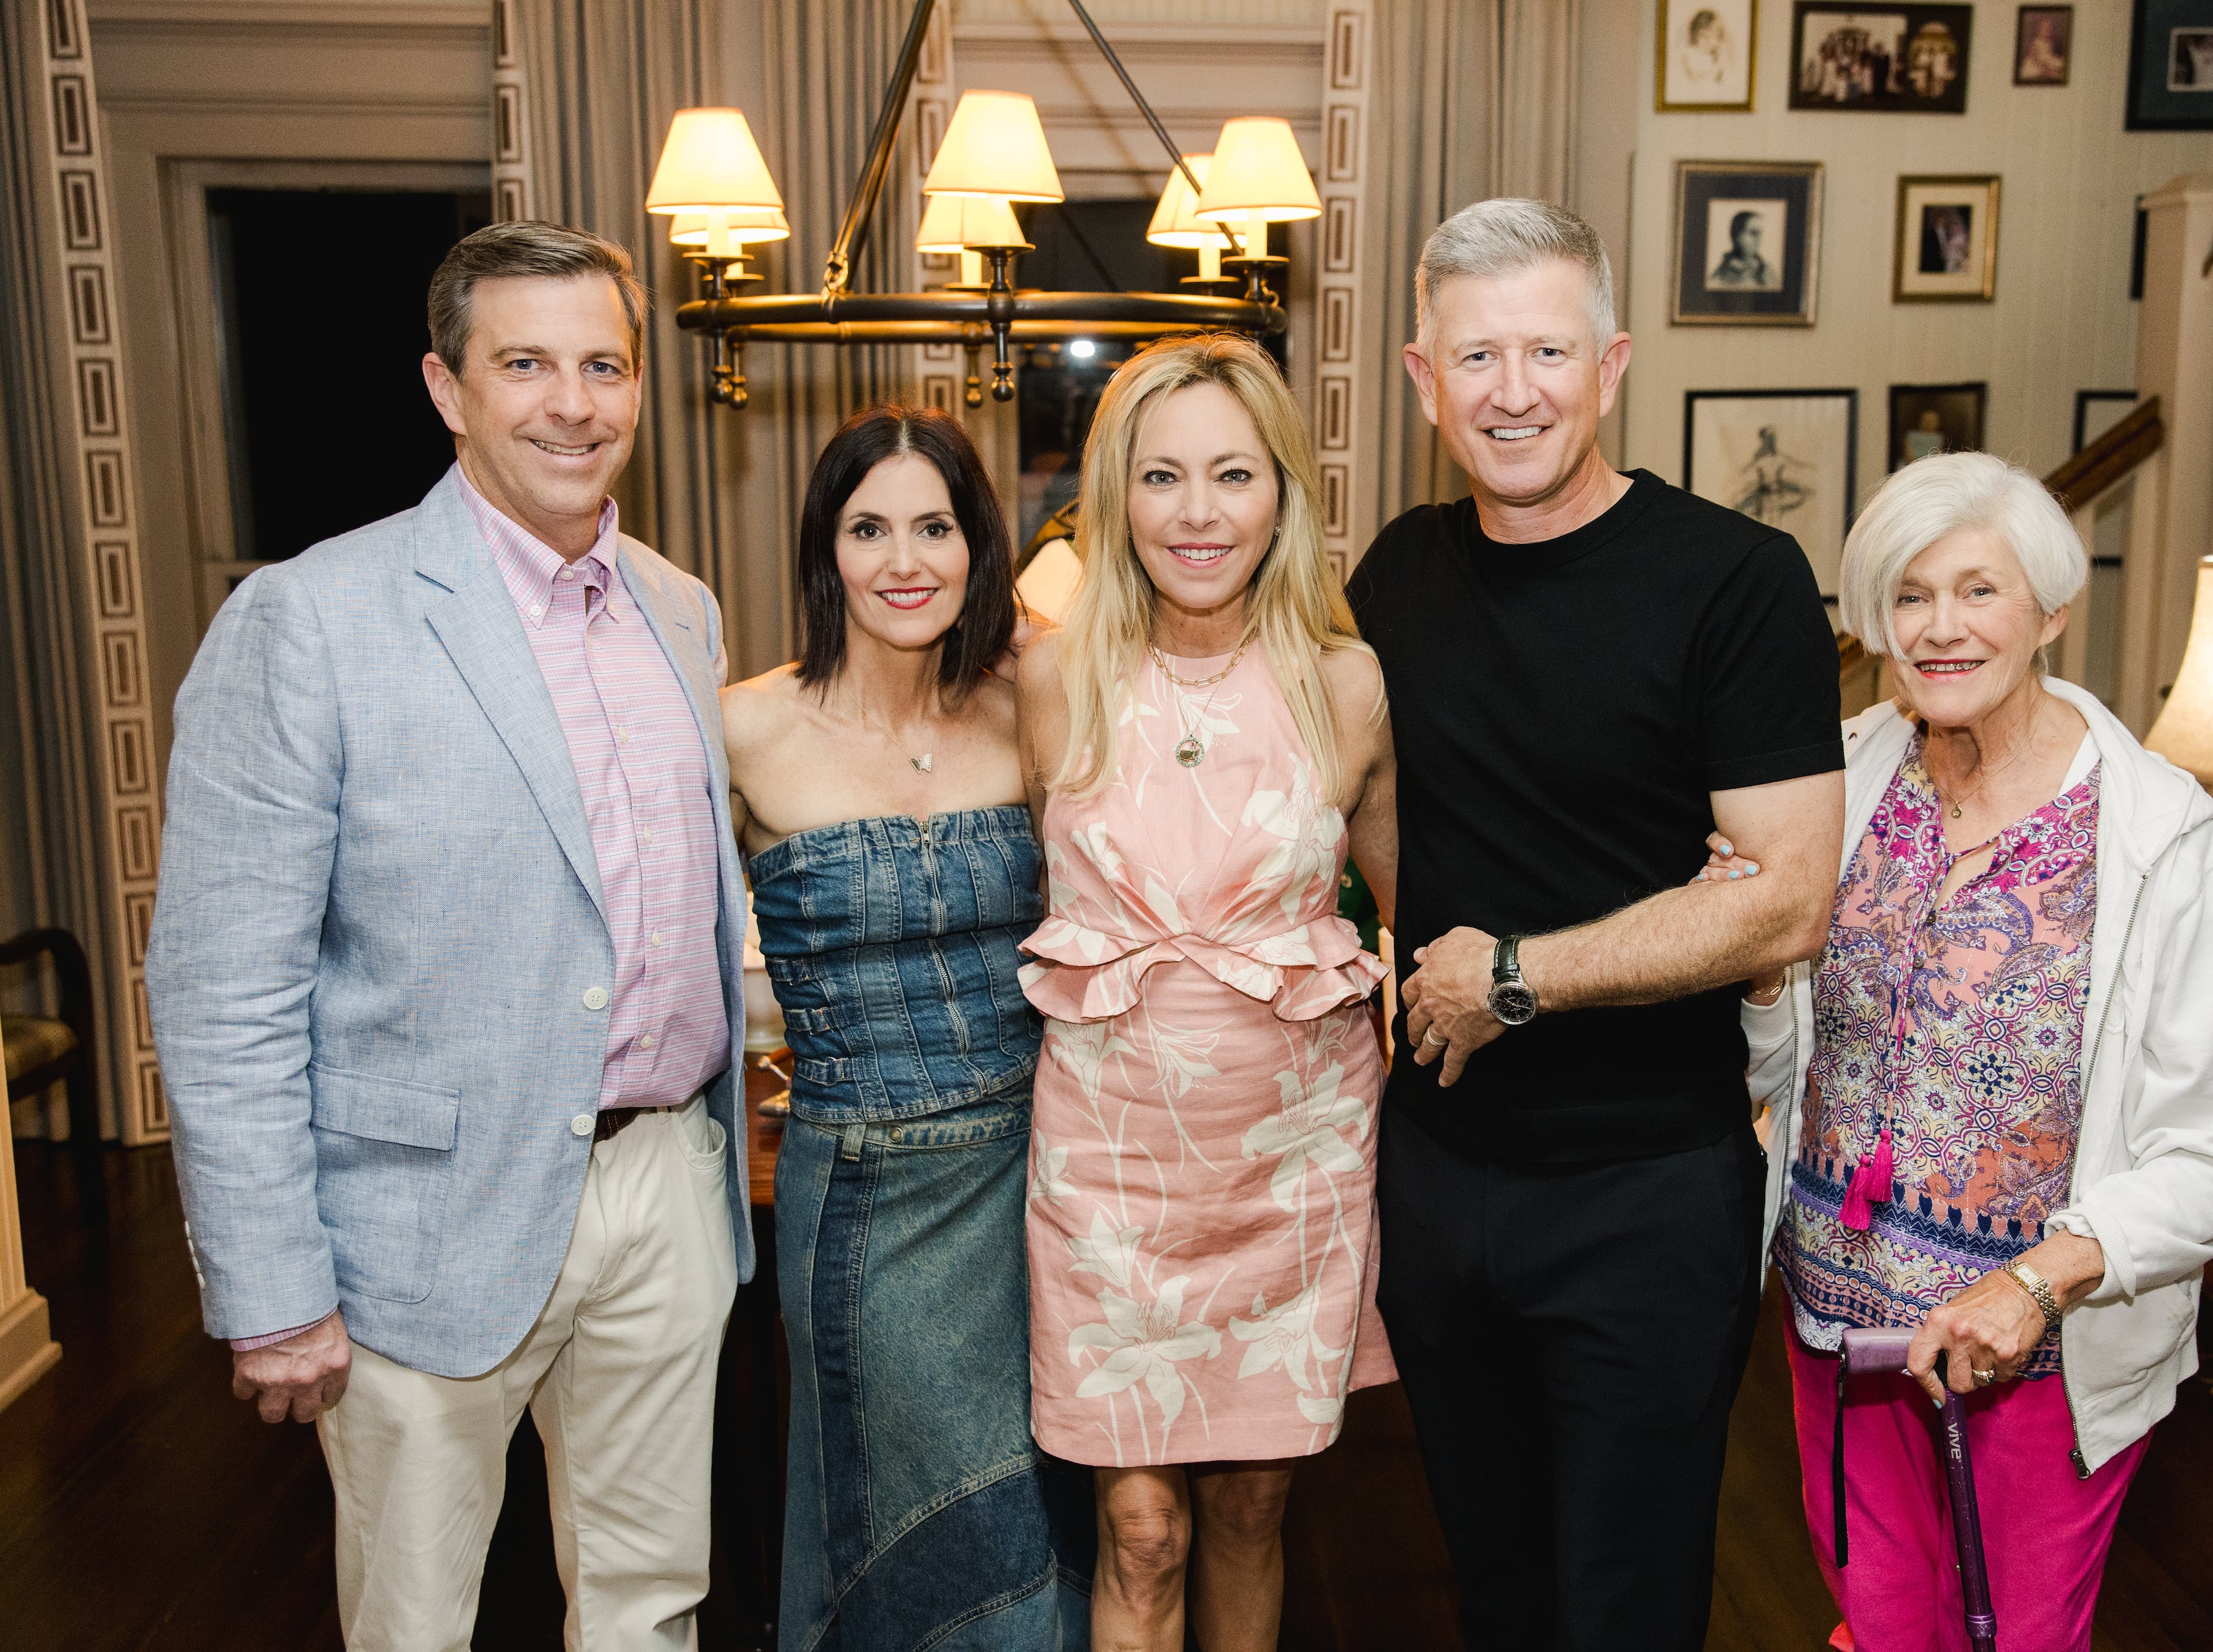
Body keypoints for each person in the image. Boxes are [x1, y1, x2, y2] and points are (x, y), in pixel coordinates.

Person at [148, 221, 751, 1647]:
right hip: (418, 1217)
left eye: (604, 364)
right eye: (526, 363)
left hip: (663, 1180)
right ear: (448, 387)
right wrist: (270, 1286)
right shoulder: (309, 618)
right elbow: (225, 986)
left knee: (650, 1602)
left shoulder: (680, 607)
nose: (574, 401)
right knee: (418, 1620)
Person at [1344, 196, 1844, 1648]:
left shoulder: (1734, 583)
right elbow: (1371, 821)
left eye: (1548, 350)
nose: (1515, 391)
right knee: (1491, 1586)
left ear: (1612, 364)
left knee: (1622, 1603)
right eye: (1477, 356)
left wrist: (1519, 974)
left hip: (1646, 1186)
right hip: (1437, 1175)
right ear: (1423, 379)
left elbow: (1790, 899)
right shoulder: (1395, 573)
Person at [1712, 451, 2213, 1652]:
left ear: (2051, 609)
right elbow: (1783, 1057)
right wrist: (1760, 975)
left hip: (2033, 1348)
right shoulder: (1843, 773)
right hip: (1836, 1316)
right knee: (1876, 1628)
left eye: (1979, 590)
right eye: (1910, 596)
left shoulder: (2157, 838)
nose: (1941, 628)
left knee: (2014, 1640)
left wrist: (2036, 1283)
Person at [1015, 332, 1397, 1651]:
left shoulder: (1344, 684)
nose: (1197, 511)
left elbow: (1422, 914)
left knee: (1246, 1511)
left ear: (1282, 491)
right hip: (1110, 1162)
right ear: (1116, 495)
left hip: (1292, 1154)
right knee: (1143, 1528)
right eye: (1162, 476)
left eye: (1232, 474)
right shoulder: (1052, 676)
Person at [724, 404, 1093, 1649]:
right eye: (867, 527)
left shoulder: (1029, 704)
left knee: (1046, 1512)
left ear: (978, 544)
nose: (904, 561)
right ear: (825, 551)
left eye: (935, 526)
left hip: (1038, 1177)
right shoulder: (744, 727)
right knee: (898, 1514)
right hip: (863, 1196)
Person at [1709, 210, 1776, 290]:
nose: (1759, 239)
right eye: (1753, 233)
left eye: (1760, 234)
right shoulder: (1721, 273)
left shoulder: (1767, 271)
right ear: (1737, 235)